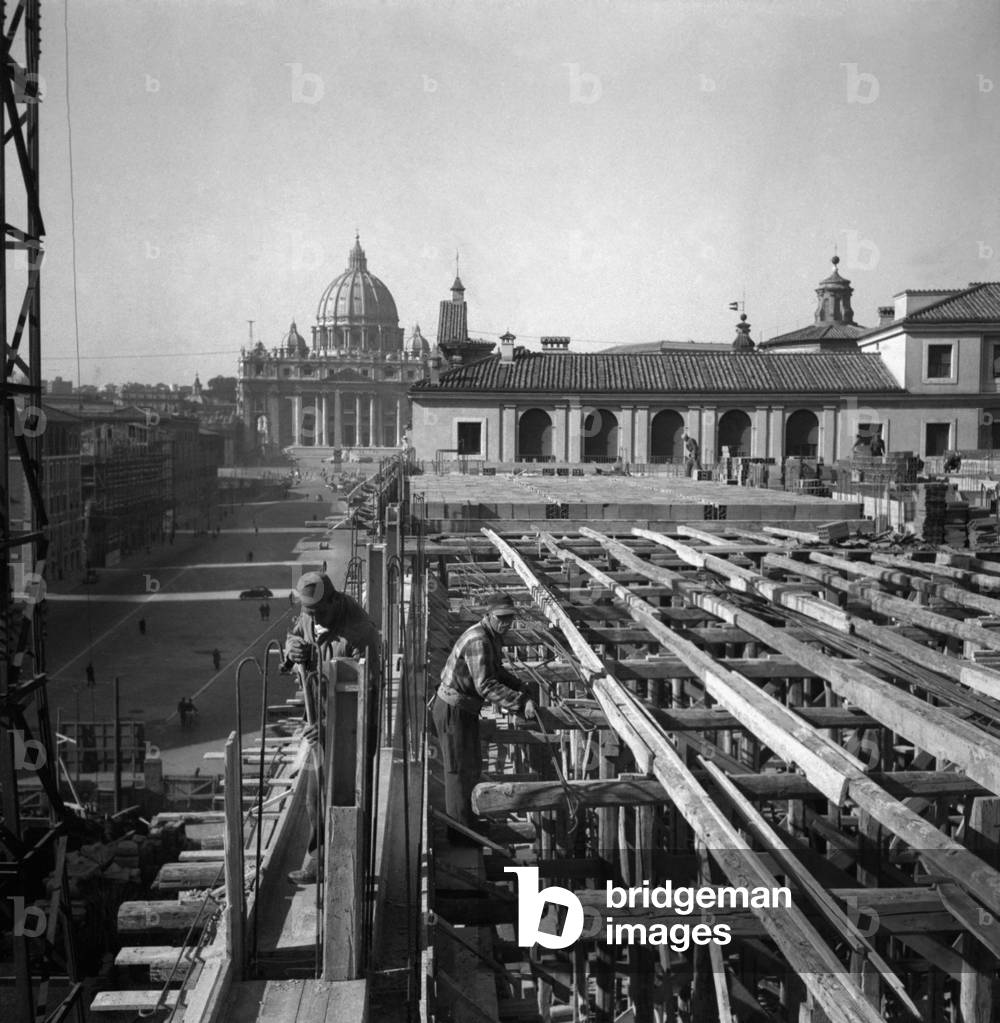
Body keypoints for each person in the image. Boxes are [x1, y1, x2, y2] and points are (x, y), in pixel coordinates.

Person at [280, 571, 382, 884]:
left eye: (319, 612)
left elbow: (364, 697)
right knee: (315, 796)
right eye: (309, 614)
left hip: (352, 730)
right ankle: (320, 860)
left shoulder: (360, 634)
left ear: (335, 600)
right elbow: (294, 635)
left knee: (347, 795)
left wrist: (327, 725)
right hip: (319, 723)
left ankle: (351, 861)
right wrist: (292, 649)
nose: (314, 619)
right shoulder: (311, 612)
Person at [431, 592, 536, 846]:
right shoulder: (479, 640)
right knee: (457, 771)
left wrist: (520, 685)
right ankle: (460, 835)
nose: (506, 623)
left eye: (510, 618)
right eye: (502, 618)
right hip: (453, 709)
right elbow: (486, 685)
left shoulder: (491, 635)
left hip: (464, 709)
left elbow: (497, 671)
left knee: (471, 766)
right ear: (489, 615)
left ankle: (468, 821)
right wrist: (521, 703)